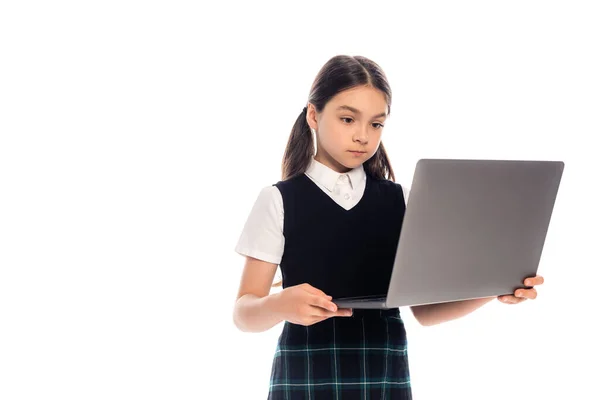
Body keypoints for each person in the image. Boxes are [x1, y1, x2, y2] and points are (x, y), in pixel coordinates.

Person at [232, 54, 544, 400]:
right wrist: (280, 305)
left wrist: (495, 288)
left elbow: (425, 312)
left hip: (384, 377)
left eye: (376, 124)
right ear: (313, 115)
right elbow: (244, 312)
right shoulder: (278, 200)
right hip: (304, 375)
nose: (363, 136)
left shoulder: (403, 201)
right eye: (348, 119)